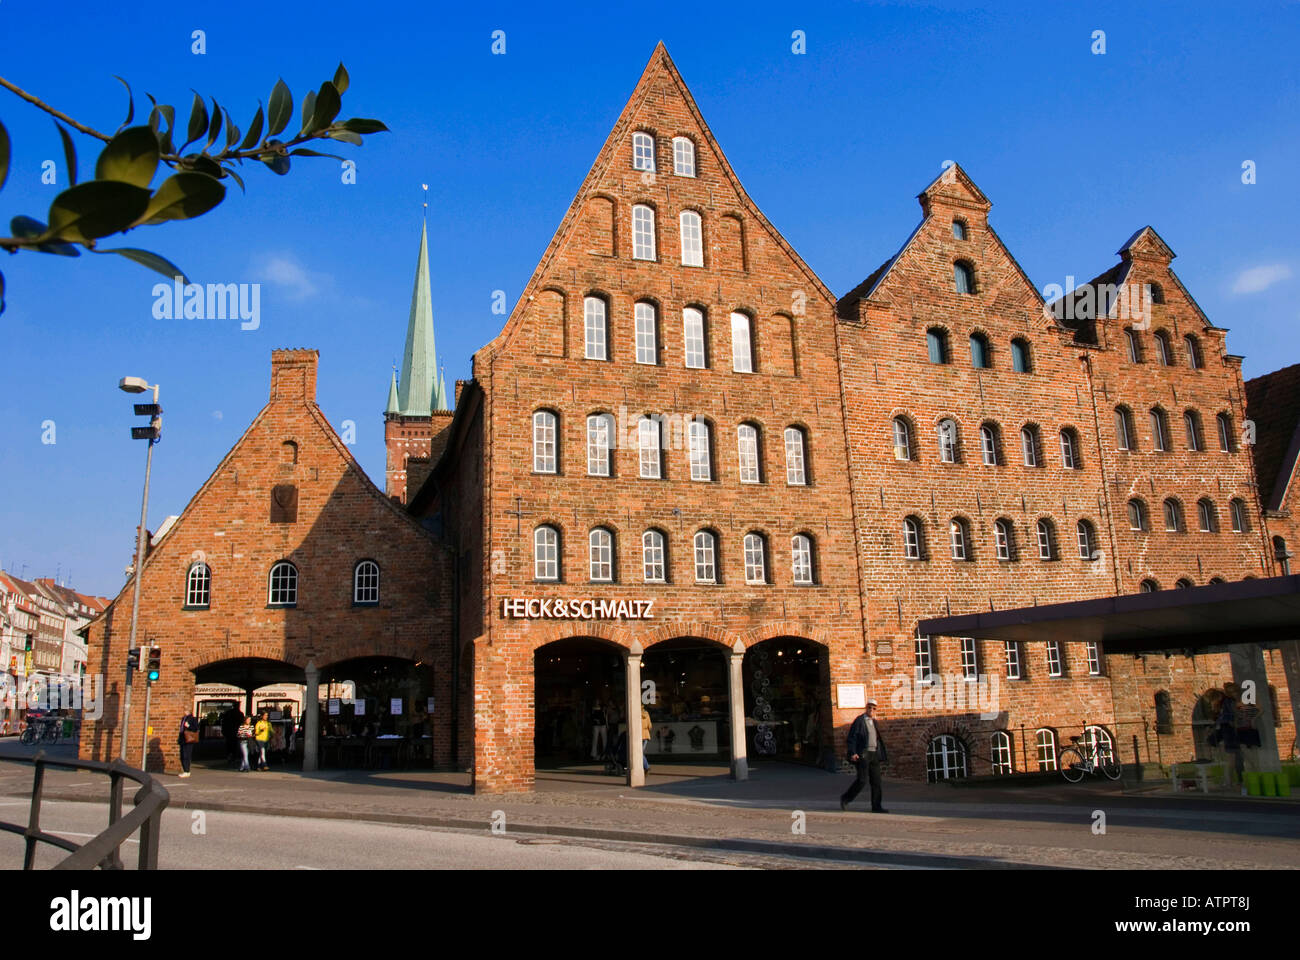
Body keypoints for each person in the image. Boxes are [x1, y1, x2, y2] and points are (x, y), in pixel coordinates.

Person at [840, 698, 888, 812]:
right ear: (866, 708)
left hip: (874, 754)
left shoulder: (874, 722)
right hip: (864, 753)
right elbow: (852, 738)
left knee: (876, 781)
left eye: (874, 708)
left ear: (876, 710)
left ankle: (876, 806)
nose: (871, 710)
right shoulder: (860, 721)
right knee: (862, 780)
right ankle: (845, 798)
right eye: (869, 707)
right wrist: (853, 752)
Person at [177, 711, 199, 778]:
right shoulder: (184, 718)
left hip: (189, 739)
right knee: (182, 755)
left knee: (186, 755)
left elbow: (196, 728)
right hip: (183, 739)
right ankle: (185, 770)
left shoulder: (192, 719)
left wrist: (188, 726)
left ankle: (187, 771)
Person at [640, 704, 653, 773]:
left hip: (639, 735)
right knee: (640, 753)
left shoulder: (636, 714)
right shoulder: (647, 713)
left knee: (639, 753)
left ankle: (646, 766)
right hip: (646, 735)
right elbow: (650, 726)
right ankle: (645, 767)